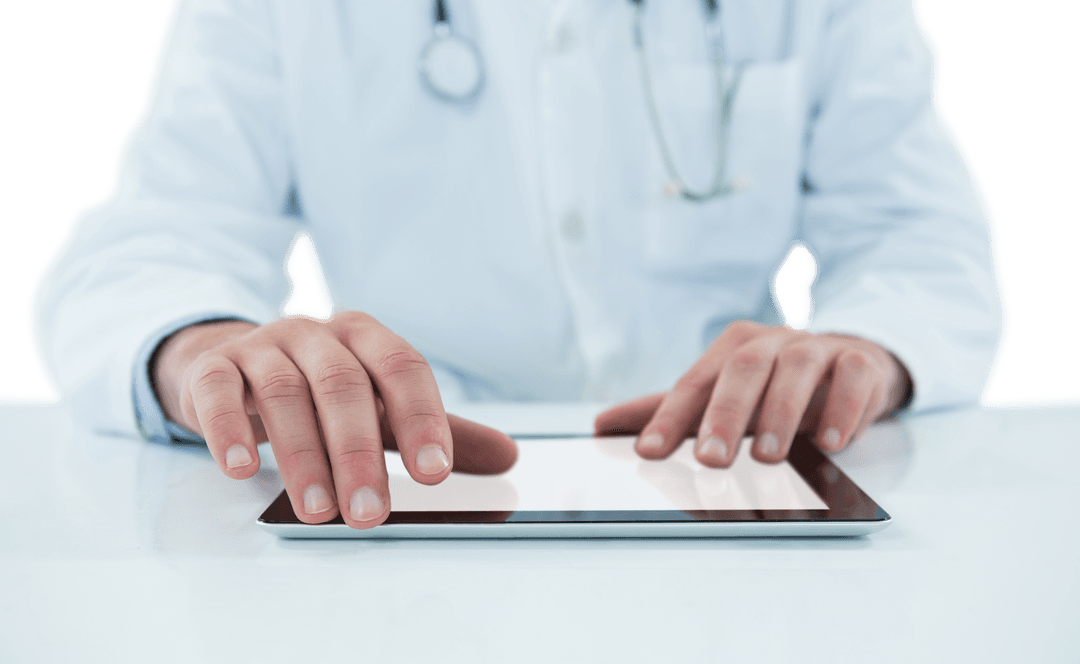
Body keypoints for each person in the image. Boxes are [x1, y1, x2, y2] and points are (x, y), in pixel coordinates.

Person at [27, 0, 1004, 529]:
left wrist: (862, 353)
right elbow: (147, 244)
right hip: (402, 495)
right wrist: (208, 352)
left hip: (731, 484)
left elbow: (923, 243)